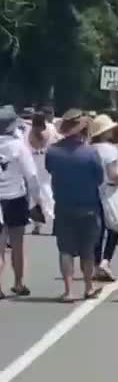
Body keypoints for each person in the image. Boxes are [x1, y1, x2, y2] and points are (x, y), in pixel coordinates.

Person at [46, 109, 103, 302]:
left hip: (63, 204)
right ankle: (88, 286)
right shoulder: (91, 152)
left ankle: (69, 290)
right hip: (88, 205)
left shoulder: (53, 151)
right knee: (87, 250)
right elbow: (99, 178)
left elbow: (49, 169)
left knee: (65, 249)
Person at [0, 105, 41, 298]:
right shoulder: (18, 147)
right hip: (15, 198)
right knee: (17, 244)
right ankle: (18, 282)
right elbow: (31, 176)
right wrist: (37, 201)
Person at [90, 114, 118, 282]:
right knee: (115, 226)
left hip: (93, 191)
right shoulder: (110, 150)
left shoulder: (90, 148)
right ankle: (105, 261)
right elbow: (112, 174)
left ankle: (95, 264)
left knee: (98, 229)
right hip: (110, 191)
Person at [27, 111, 59, 235]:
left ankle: (37, 225)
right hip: (47, 161)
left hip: (33, 162)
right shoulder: (51, 129)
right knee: (48, 191)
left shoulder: (28, 131)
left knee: (34, 194)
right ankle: (56, 221)